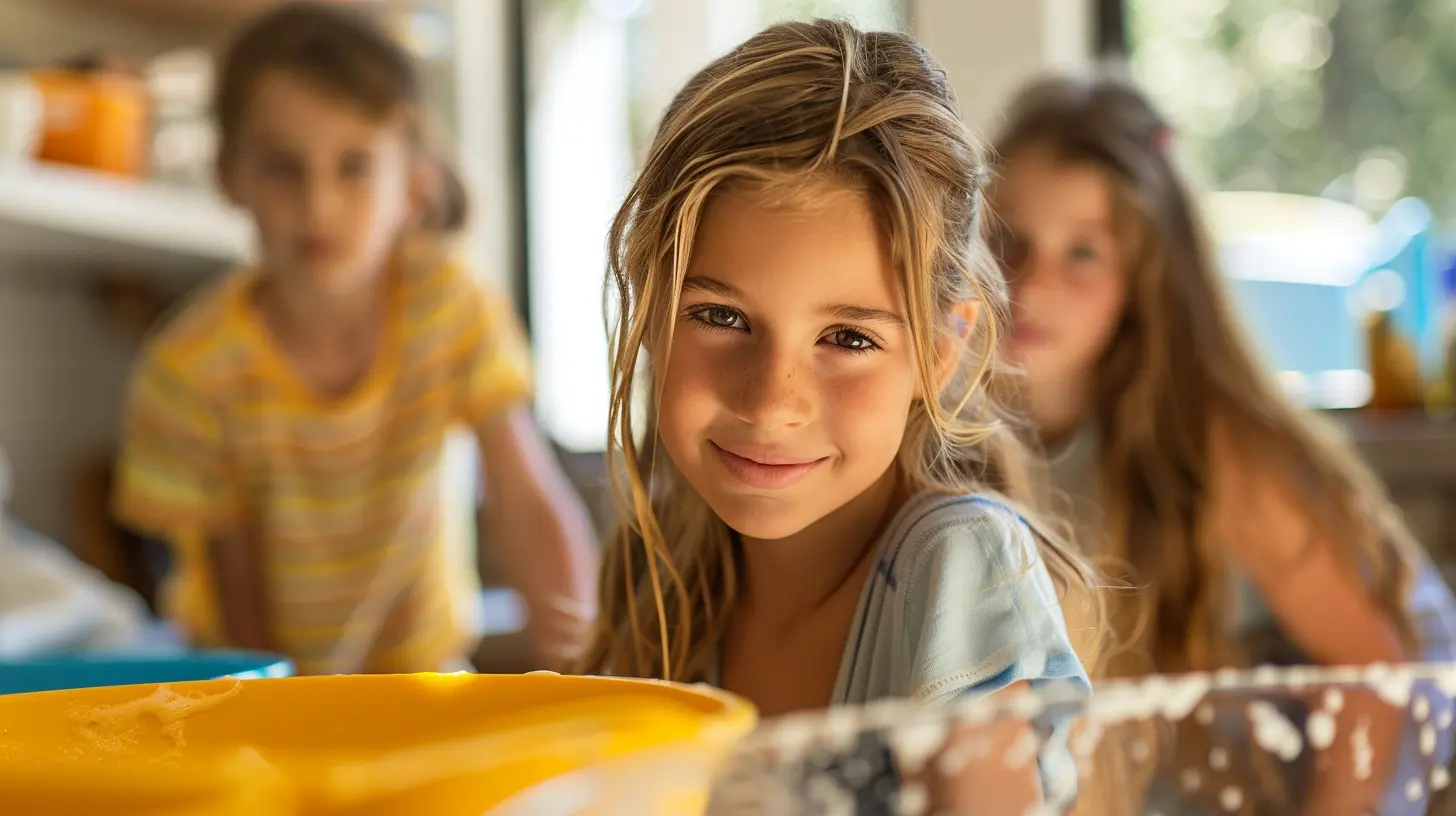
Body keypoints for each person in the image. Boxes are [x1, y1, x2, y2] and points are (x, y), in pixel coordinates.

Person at [572, 19, 1107, 812]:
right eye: (720, 317)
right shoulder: (659, 573)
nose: (772, 400)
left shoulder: (958, 571)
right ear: (650, 309)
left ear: (940, 351)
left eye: (847, 337)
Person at [989, 71, 1456, 813]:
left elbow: (1375, 674)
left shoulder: (1217, 446)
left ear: (1147, 280)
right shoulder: (967, 436)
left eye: (1084, 253)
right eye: (1008, 239)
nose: (1031, 284)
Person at [113, 2, 597, 676]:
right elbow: (237, 592)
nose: (318, 205)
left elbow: (525, 497)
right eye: (284, 167)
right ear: (229, 175)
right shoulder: (190, 369)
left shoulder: (450, 307)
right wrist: (288, 723)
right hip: (262, 694)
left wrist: (588, 665)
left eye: (354, 166)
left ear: (413, 185)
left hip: (428, 676)